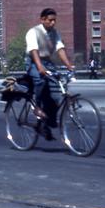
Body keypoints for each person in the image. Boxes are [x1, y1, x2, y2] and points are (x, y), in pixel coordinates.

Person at [25, 8, 75, 141]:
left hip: (48, 63)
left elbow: (60, 49)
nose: (53, 23)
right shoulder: (33, 32)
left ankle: (45, 122)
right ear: (42, 20)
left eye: (54, 20)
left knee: (56, 92)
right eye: (50, 20)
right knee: (40, 80)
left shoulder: (55, 33)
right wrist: (40, 67)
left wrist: (69, 66)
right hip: (34, 62)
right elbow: (34, 50)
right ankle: (37, 107)